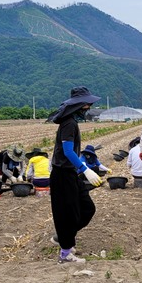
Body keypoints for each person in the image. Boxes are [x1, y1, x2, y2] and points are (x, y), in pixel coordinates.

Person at [48, 86, 103, 264]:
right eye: (87, 105)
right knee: (67, 213)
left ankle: (64, 237)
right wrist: (84, 169)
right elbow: (67, 151)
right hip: (62, 174)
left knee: (88, 208)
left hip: (70, 173)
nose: (88, 108)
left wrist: (80, 169)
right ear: (79, 106)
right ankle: (65, 253)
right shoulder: (69, 123)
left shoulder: (71, 122)